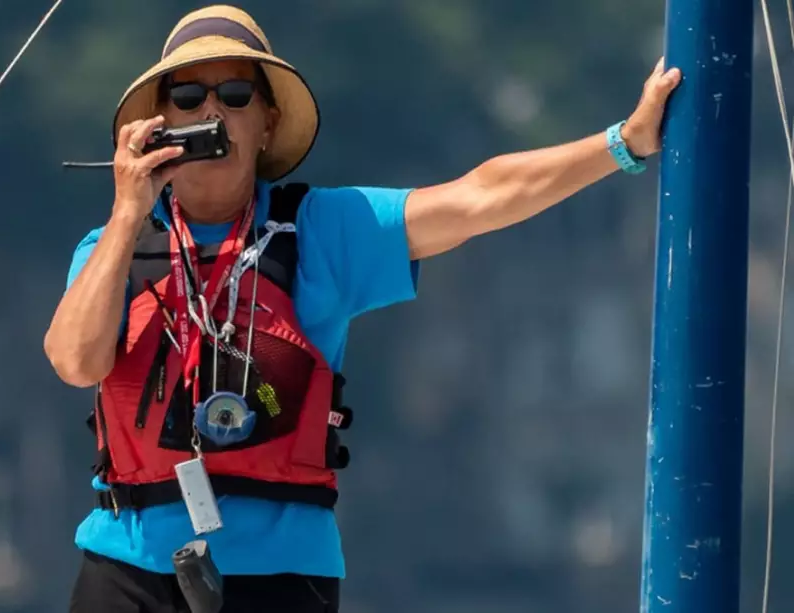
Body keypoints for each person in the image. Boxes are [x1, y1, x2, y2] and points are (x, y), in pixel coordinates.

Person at [43, 4, 681, 613]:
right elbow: (75, 362)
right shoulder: (110, 250)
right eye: (188, 99)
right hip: (125, 569)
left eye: (235, 95)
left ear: (265, 122)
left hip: (281, 574)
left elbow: (478, 198)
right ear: (160, 126)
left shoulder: (323, 231)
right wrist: (129, 209)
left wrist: (623, 143)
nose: (211, 113)